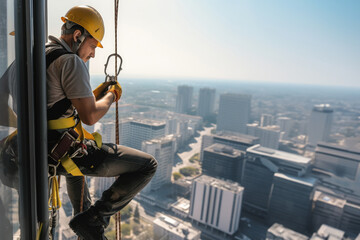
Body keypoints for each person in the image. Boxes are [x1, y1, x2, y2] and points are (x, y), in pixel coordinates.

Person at [1, 5, 157, 240]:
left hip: (28, 148)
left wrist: (30, 126)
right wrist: (111, 95)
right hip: (60, 150)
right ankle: (95, 220)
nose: (93, 54)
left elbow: (13, 103)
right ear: (77, 36)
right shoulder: (70, 62)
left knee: (75, 171)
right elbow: (90, 116)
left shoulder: (27, 56)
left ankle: (85, 221)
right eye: (93, 45)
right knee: (147, 165)